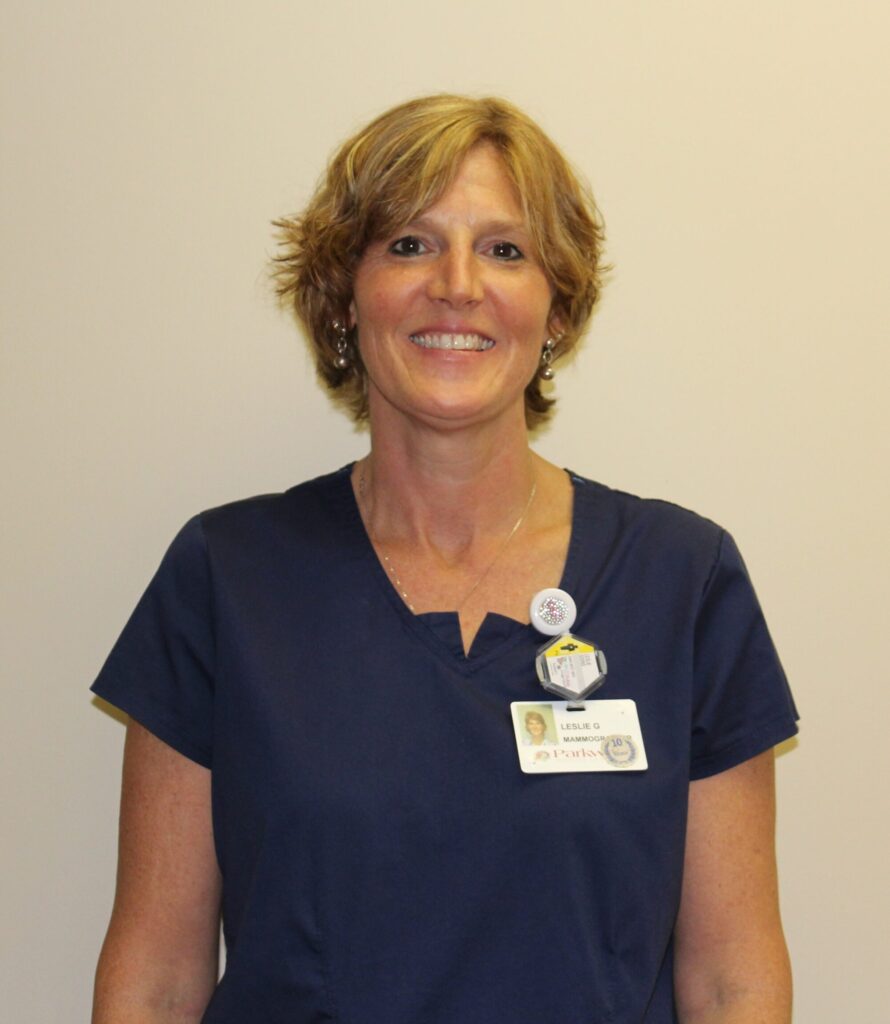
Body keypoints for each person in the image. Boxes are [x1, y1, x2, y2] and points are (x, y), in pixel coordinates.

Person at [91, 94, 798, 1023]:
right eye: (410, 245)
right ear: (346, 296)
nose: (457, 284)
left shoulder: (683, 580)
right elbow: (157, 978)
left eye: (504, 250)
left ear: (558, 307)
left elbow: (731, 981)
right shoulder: (227, 578)